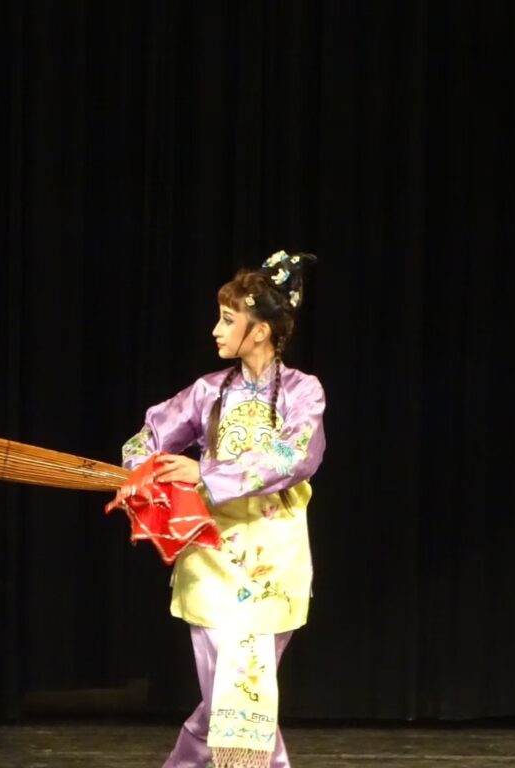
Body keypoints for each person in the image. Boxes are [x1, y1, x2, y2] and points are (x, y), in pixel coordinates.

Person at [120, 251, 325, 768]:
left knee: (237, 696)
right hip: (211, 557)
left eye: (228, 320)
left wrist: (205, 474)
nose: (216, 330)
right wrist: (146, 471)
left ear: (260, 331)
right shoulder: (207, 392)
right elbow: (146, 439)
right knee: (233, 697)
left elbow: (294, 457)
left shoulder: (303, 392)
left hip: (273, 562)